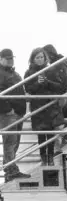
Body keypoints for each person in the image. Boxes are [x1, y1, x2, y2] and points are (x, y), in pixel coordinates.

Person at [24, 48, 67, 166]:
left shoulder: (51, 70)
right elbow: (28, 89)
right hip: (37, 106)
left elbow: (59, 87)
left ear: (45, 58)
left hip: (50, 105)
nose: (39, 60)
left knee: (51, 133)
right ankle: (43, 158)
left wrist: (47, 82)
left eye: (41, 57)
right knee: (41, 134)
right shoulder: (28, 73)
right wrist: (38, 83)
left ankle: (51, 157)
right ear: (32, 59)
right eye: (37, 57)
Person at [0, 49, 30, 181]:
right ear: (1, 59)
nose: (10, 60)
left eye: (11, 58)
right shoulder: (2, 73)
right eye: (7, 58)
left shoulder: (14, 73)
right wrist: (8, 109)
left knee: (14, 142)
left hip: (17, 113)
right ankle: (10, 170)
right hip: (8, 114)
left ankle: (10, 168)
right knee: (10, 142)